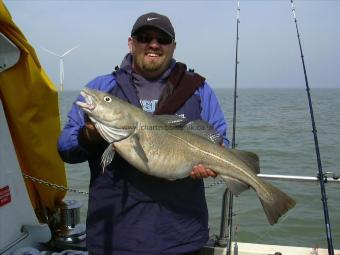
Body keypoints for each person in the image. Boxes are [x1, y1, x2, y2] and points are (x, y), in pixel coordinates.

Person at [58, 12, 229, 255]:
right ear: (131, 43)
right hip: (115, 237)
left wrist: (212, 165)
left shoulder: (199, 89)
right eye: (144, 37)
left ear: (173, 46)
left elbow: (222, 141)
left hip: (182, 236)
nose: (154, 44)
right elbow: (65, 149)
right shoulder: (100, 88)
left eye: (163, 39)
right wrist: (89, 136)